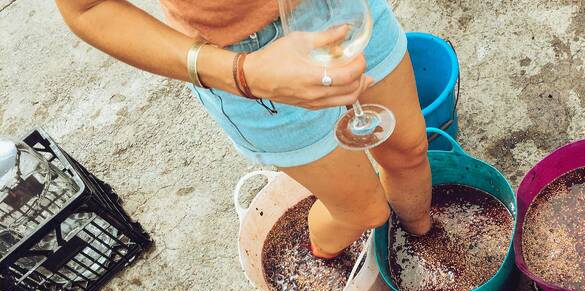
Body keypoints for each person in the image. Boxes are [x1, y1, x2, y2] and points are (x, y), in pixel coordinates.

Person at [55, 0, 432, 258]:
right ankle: (321, 257)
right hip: (244, 53)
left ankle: (424, 240)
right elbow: (87, 8)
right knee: (363, 213)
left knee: (410, 151)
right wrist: (243, 74)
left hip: (345, 10)